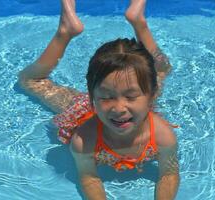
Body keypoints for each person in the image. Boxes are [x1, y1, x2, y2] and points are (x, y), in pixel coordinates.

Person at [18, 0, 180, 199]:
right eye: (106, 96)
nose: (119, 108)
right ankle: (64, 32)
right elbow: (89, 178)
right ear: (92, 94)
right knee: (30, 81)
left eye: (130, 96)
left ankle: (139, 22)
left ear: (151, 97)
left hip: (136, 103)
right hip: (83, 111)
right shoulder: (84, 141)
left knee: (162, 70)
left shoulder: (163, 136)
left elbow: (169, 175)